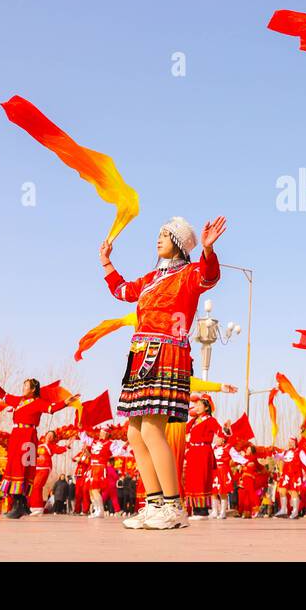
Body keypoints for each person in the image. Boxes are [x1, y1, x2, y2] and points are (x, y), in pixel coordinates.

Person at [100, 215, 226, 530]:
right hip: (140, 354)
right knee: (134, 432)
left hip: (167, 351)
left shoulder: (191, 273)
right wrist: (106, 263)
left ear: (180, 243)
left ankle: (173, 506)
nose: (158, 240)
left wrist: (208, 251)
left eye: (164, 235)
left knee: (153, 429)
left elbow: (210, 276)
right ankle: (154, 503)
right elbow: (124, 291)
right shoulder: (152, 277)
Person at [0, 373, 74, 519]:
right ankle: (20, 503)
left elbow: (51, 408)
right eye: (23, 386)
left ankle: (19, 505)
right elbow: (4, 396)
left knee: (23, 469)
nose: (23, 388)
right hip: (16, 435)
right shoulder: (19, 401)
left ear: (33, 389)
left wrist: (65, 402)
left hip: (28, 437)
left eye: (26, 386)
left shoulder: (38, 402)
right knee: (14, 466)